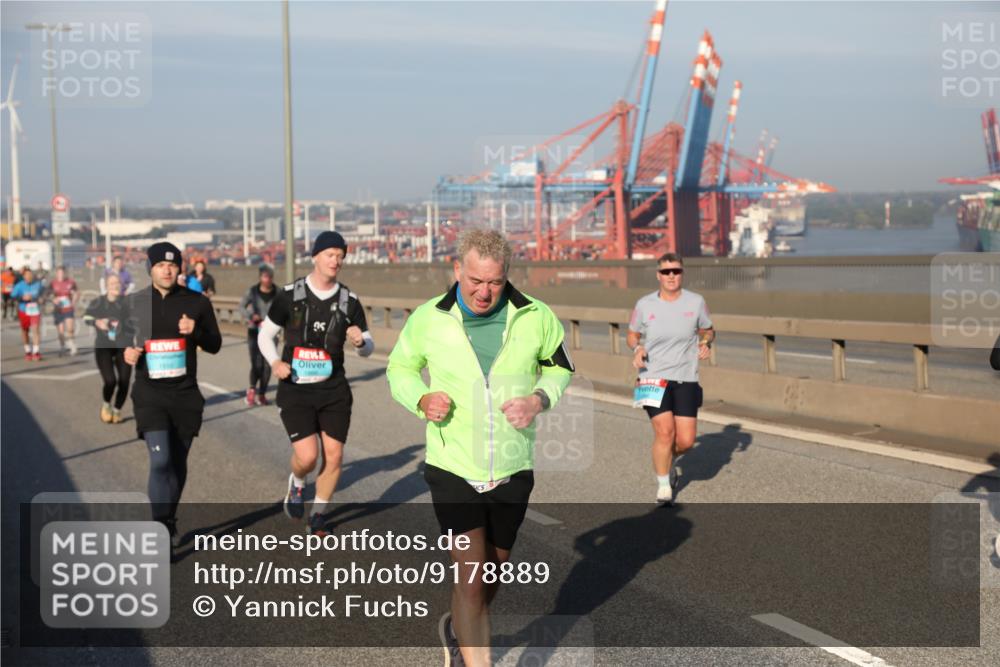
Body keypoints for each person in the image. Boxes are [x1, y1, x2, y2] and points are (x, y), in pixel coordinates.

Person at [386, 229, 574, 667]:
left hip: (512, 464)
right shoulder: (430, 317)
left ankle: (456, 628)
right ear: (457, 270)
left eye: (494, 282)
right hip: (452, 463)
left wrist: (538, 399)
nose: (484, 292)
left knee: (491, 575)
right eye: (475, 280)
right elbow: (400, 367)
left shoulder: (534, 315)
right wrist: (420, 398)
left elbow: (559, 368)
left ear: (506, 275)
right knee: (472, 581)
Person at [257, 231, 374, 536]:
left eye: (340, 255)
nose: (336, 260)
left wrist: (361, 341)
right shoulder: (290, 295)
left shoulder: (350, 301)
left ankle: (319, 514)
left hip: (333, 390)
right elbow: (265, 335)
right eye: (330, 254)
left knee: (334, 455)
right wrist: (275, 363)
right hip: (295, 389)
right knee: (308, 457)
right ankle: (297, 483)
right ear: (315, 257)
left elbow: (368, 346)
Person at [122, 242, 222, 545]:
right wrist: (125, 352)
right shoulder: (134, 303)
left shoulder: (197, 304)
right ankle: (159, 528)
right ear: (150, 268)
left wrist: (196, 332)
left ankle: (167, 519)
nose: (167, 270)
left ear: (180, 268)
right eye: (160, 265)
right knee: (161, 460)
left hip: (185, 395)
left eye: (173, 265)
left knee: (178, 463)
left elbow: (215, 344)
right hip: (150, 394)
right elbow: (120, 342)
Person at [627, 252, 714, 506]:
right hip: (652, 378)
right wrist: (637, 348)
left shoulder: (696, 302)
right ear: (658, 275)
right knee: (664, 433)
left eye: (675, 271)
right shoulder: (644, 304)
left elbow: (708, 329)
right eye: (666, 272)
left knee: (685, 441)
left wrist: (706, 342)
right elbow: (631, 335)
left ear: (682, 273)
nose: (671, 276)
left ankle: (668, 459)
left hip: (686, 377)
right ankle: (664, 485)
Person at [83, 273, 132, 424]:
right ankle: (106, 405)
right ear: (107, 286)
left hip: (123, 347)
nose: (115, 286)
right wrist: (97, 322)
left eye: (118, 283)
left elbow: (136, 324)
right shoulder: (98, 302)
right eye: (112, 283)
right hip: (104, 346)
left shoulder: (127, 303)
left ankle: (117, 410)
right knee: (110, 381)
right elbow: (86, 318)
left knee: (124, 381)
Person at [240, 264, 278, 405]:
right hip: (254, 331)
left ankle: (262, 394)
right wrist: (251, 315)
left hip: (271, 332)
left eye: (269, 277)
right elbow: (241, 306)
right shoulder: (252, 292)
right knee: (256, 363)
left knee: (268, 364)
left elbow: (283, 310)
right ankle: (251, 391)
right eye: (264, 276)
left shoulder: (277, 293)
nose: (267, 279)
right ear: (260, 277)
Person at [11, 267, 45, 360]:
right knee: (25, 331)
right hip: (23, 310)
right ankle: (28, 351)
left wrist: (42, 299)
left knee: (35, 329)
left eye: (30, 275)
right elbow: (13, 297)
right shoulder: (19, 286)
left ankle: (36, 352)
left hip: (35, 310)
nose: (29, 277)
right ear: (24, 276)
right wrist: (22, 298)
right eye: (27, 275)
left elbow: (44, 294)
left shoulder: (38, 284)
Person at [48, 265, 79, 356]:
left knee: (70, 328)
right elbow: (48, 294)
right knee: (61, 331)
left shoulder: (71, 282)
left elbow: (76, 293)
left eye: (62, 273)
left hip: (68, 308)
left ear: (65, 273)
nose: (61, 275)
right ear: (56, 274)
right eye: (59, 273)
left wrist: (74, 301)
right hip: (58, 310)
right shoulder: (53, 283)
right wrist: (53, 299)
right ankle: (62, 346)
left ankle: (72, 344)